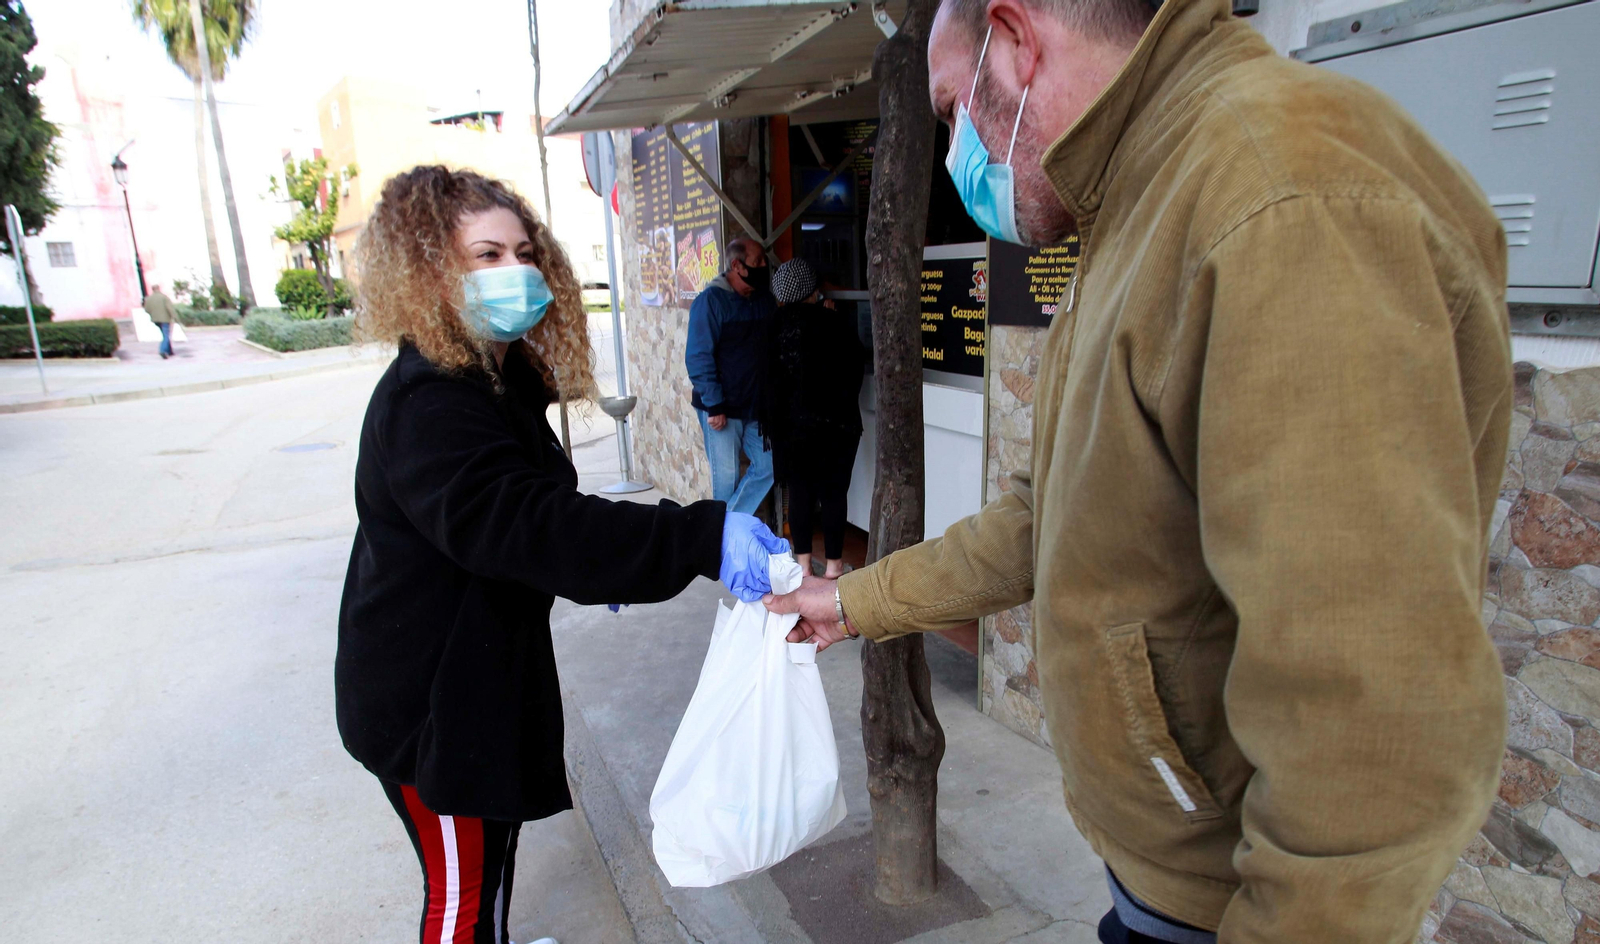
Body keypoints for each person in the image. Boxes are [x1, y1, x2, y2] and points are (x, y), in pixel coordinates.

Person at [768, 1, 1511, 942]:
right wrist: (856, 601)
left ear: (1017, 41)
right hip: (1165, 878)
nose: (956, 156)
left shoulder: (1280, 203)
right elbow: (1048, 515)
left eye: (953, 110)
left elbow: (1369, 722)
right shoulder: (1143, 194)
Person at [336, 166, 788, 944]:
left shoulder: (496, 378)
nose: (514, 271)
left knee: (496, 845)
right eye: (486, 255)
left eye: (523, 252)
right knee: (461, 894)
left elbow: (541, 525)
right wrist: (700, 536)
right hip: (427, 703)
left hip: (479, 678)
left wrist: (603, 562)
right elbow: (527, 524)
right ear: (428, 272)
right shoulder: (429, 399)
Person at [764, 258, 866, 578]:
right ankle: (834, 566)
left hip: (789, 430)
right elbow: (855, 370)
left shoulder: (771, 327)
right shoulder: (834, 323)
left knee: (799, 493)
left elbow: (767, 381)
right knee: (834, 494)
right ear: (812, 290)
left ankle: (805, 566)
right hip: (835, 428)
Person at [685, 236, 776, 515]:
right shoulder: (710, 302)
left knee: (770, 466)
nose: (764, 266)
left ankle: (722, 528)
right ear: (737, 265)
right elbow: (698, 356)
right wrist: (714, 405)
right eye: (758, 261)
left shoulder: (763, 300)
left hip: (755, 408)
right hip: (722, 409)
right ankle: (721, 534)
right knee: (726, 482)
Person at [143, 284, 178, 359]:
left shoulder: (148, 299)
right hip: (165, 319)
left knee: (165, 335)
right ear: (158, 288)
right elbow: (170, 308)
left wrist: (153, 314)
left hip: (156, 320)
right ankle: (162, 350)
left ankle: (169, 351)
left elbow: (146, 310)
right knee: (166, 335)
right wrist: (174, 317)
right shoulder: (164, 297)